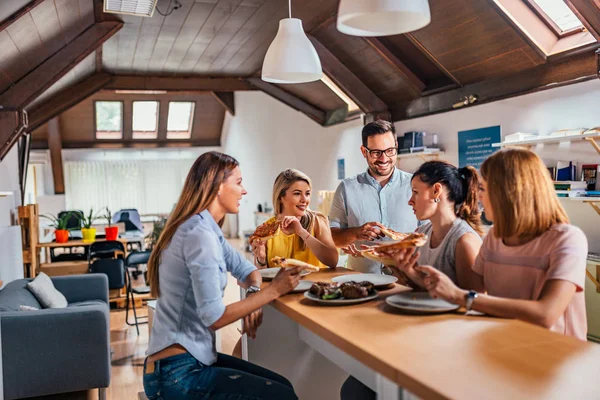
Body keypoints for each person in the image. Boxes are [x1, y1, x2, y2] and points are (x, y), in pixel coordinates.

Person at [144, 151, 301, 399]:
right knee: (281, 395)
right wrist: (273, 290)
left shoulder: (208, 229)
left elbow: (247, 270)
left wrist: (253, 294)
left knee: (284, 387)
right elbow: (214, 318)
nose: (244, 191)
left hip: (191, 362)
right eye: (238, 182)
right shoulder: (199, 235)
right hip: (177, 374)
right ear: (218, 186)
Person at [418, 148, 588, 340]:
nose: (478, 197)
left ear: (508, 191)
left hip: (557, 357)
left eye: (483, 189)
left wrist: (462, 297)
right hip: (506, 345)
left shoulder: (567, 239)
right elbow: (469, 291)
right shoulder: (495, 238)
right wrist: (408, 271)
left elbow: (545, 314)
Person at [329, 120, 418, 274]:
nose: (384, 159)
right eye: (376, 152)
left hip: (408, 281)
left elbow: (431, 235)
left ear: (396, 146)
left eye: (390, 150)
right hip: (362, 283)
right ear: (364, 151)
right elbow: (332, 237)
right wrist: (356, 233)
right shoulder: (346, 189)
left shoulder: (415, 185)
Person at [382, 161, 484, 291]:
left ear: (436, 191)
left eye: (415, 192)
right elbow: (419, 290)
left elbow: (474, 303)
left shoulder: (464, 241)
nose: (410, 201)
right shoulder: (421, 234)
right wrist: (399, 268)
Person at [252, 169, 338, 269]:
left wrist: (301, 232)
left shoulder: (318, 221)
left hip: (315, 284)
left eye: (307, 193)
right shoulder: (267, 230)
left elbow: (333, 261)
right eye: (297, 193)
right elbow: (262, 277)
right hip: (283, 285)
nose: (304, 200)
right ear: (281, 197)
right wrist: (261, 259)